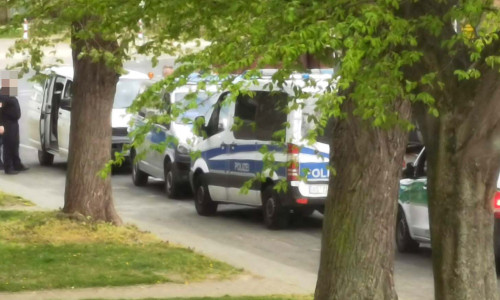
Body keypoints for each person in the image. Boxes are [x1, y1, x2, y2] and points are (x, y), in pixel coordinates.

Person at [0, 77, 28, 175]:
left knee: (15, 144)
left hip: (13, 123)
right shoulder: (2, 96)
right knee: (8, 145)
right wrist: (1, 125)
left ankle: (17, 164)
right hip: (6, 123)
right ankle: (8, 167)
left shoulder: (10, 95)